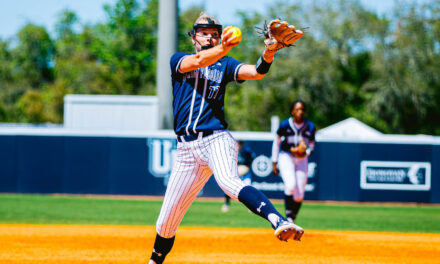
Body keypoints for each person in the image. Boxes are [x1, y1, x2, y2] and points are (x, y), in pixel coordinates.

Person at [148, 12, 304, 264]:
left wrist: (269, 53)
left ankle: (279, 220)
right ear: (193, 37)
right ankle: (154, 261)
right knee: (166, 222)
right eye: (204, 33)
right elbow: (198, 61)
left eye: (214, 34)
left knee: (229, 182)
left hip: (215, 139)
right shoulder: (179, 59)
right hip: (186, 151)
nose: (210, 37)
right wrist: (224, 46)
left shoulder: (226, 64)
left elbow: (255, 72)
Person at [271, 100, 316, 223]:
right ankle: (289, 218)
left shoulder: (310, 126)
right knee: (290, 185)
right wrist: (274, 161)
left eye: (302, 109)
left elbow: (312, 144)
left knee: (300, 194)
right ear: (292, 111)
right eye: (297, 109)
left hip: (302, 159)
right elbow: (277, 142)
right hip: (286, 156)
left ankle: (292, 219)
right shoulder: (285, 124)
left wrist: (305, 152)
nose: (300, 112)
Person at [221, 140, 255, 213]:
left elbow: (252, 158)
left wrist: (247, 167)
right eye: (238, 143)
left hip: (245, 173)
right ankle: (226, 204)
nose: (239, 145)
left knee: (249, 189)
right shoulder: (232, 151)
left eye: (240, 143)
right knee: (229, 188)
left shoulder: (246, 151)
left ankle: (250, 207)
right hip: (235, 172)